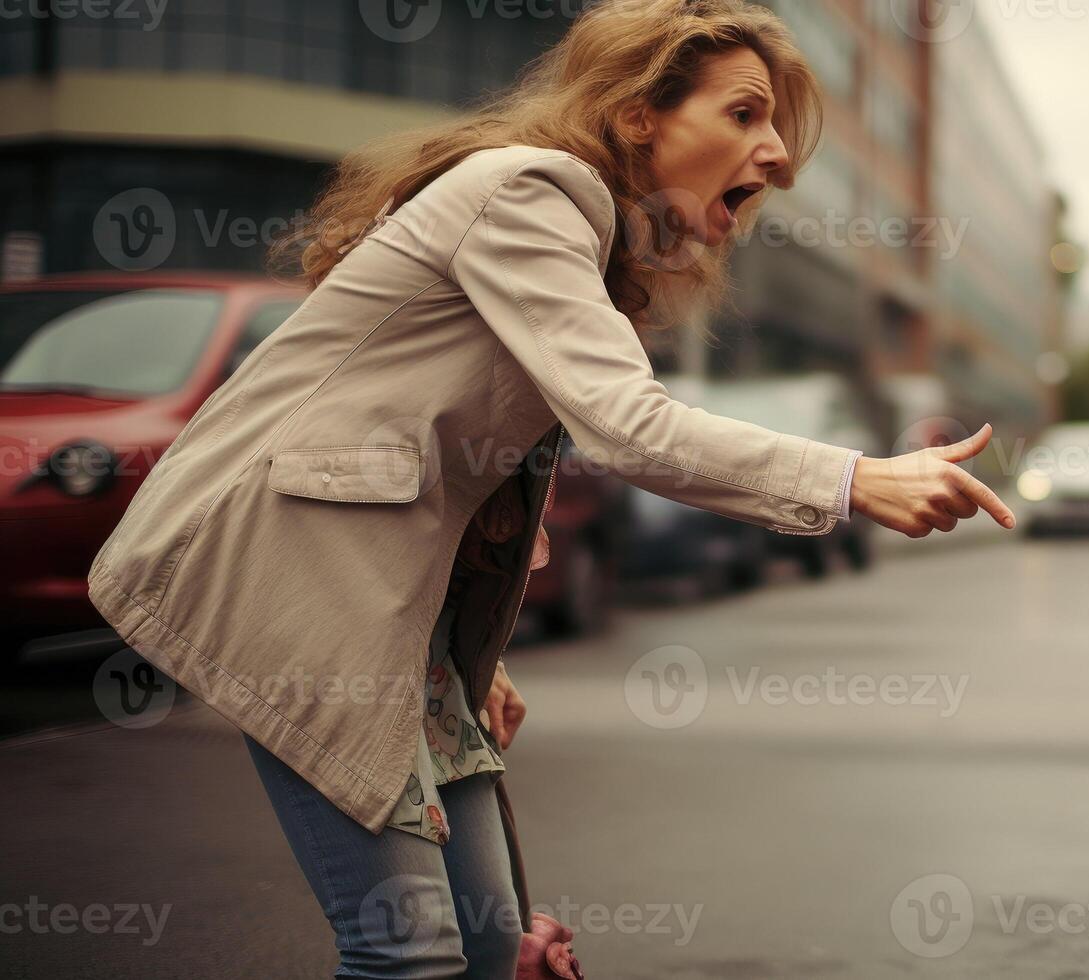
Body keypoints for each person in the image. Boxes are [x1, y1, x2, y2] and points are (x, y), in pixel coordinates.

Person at [85, 2, 1013, 976]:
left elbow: (454, 475)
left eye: (776, 127)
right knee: (408, 953)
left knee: (494, 947)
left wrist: (460, 653)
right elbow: (630, 427)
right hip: (291, 581)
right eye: (745, 115)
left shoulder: (580, 237)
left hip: (394, 624)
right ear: (641, 115)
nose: (779, 156)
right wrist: (853, 475)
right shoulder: (535, 190)